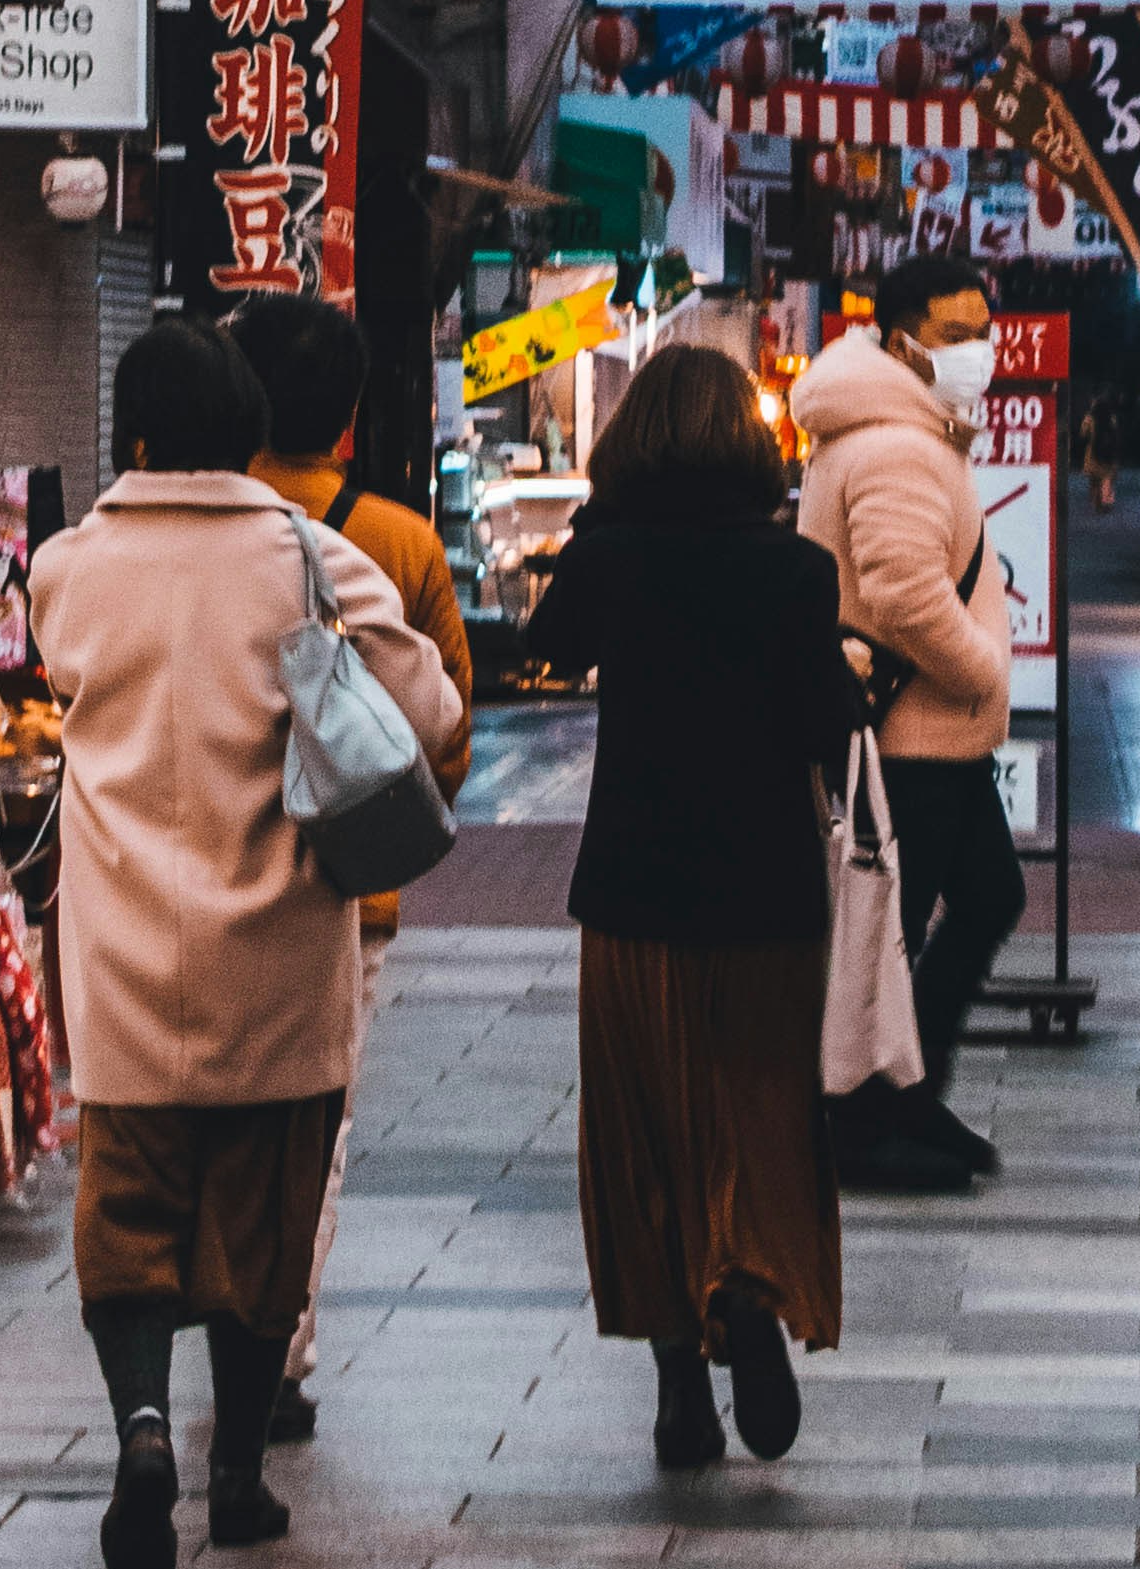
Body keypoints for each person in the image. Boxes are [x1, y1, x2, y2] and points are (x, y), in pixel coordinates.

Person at [28, 304, 462, 1569]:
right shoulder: (314, 560)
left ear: (137, 429)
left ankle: (144, 1431)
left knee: (130, 1207)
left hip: (120, 954)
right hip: (276, 946)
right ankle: (235, 1474)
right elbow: (428, 703)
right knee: (264, 1218)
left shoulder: (68, 567)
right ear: (252, 430)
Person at [527, 341, 861, 1468]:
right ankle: (752, 1288)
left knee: (644, 1124)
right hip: (768, 892)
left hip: (632, 889)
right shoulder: (794, 568)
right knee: (759, 1109)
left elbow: (546, 650)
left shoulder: (611, 555)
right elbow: (829, 722)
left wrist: (594, 538)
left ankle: (679, 1375)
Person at [238, 288, 475, 1446]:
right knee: (313, 1122)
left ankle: (199, 1326)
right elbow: (449, 728)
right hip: (348, 891)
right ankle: (278, 1345)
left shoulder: (194, 530)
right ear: (350, 416)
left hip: (194, 874)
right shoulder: (399, 539)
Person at [796, 240, 1021, 1195]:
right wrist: (981, 672)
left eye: (984, 331)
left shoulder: (905, 428)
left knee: (984, 898)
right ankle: (861, 1117)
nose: (979, 350)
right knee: (888, 933)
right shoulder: (894, 442)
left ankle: (904, 1092)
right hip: (910, 741)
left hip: (932, 736)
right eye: (956, 334)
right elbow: (902, 594)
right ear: (904, 341)